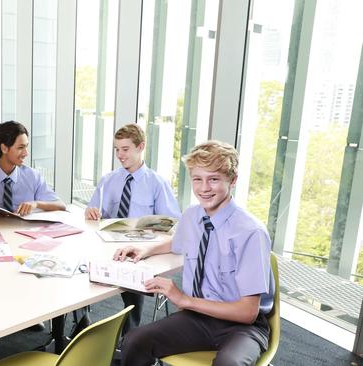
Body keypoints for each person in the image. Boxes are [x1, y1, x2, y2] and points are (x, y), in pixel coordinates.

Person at [114, 140, 274, 366]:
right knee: (134, 341)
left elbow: (247, 312)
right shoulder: (192, 216)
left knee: (229, 364)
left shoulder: (251, 232)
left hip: (241, 328)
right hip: (197, 319)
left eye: (214, 179)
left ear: (233, 180)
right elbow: (177, 243)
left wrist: (184, 300)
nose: (204, 188)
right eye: (198, 179)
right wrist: (145, 249)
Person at [85, 123, 181, 334]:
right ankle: (82, 321)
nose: (120, 155)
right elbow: (93, 213)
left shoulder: (157, 183)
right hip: (107, 245)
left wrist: (155, 229)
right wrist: (91, 213)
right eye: (117, 149)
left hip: (140, 251)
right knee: (82, 269)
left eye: (125, 149)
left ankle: (129, 334)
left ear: (141, 146)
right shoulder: (108, 180)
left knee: (133, 279)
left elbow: (171, 223)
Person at [0, 120, 66, 222]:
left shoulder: (33, 176)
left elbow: (61, 205)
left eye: (26, 147)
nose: (26, 153)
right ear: (4, 148)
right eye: (20, 148)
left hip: (24, 235)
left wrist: (36, 204)